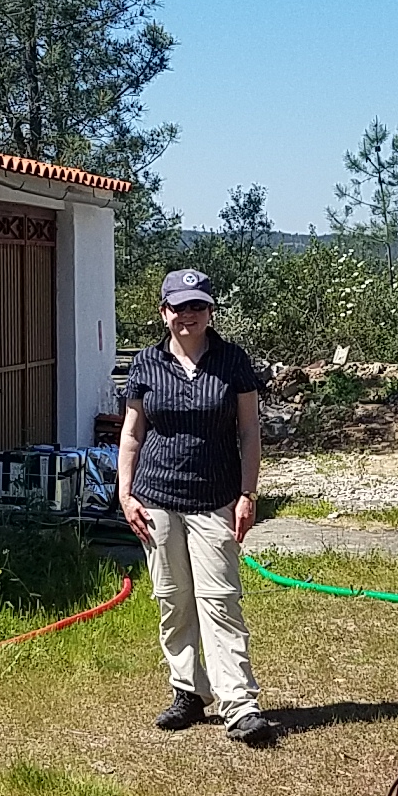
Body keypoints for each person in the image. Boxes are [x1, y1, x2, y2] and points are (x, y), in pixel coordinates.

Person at [116, 268, 274, 746]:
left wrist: (247, 494)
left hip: (214, 499)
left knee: (220, 600)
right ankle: (188, 690)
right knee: (173, 599)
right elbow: (132, 434)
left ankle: (239, 705)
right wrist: (125, 493)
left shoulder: (232, 361)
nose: (189, 315)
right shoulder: (146, 364)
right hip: (156, 501)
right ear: (164, 312)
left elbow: (249, 431)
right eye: (180, 307)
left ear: (210, 312)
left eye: (198, 306)